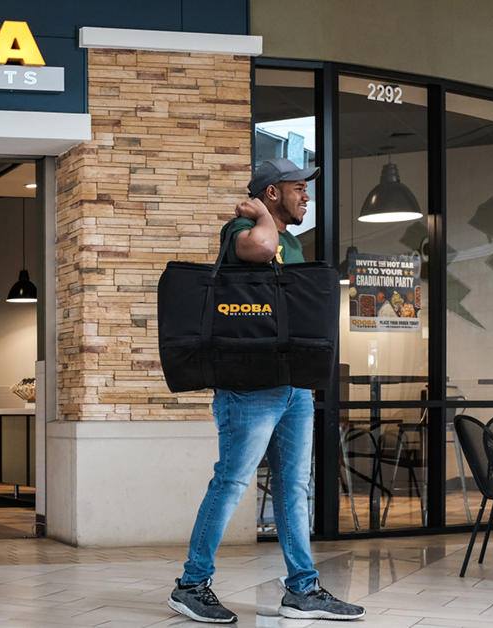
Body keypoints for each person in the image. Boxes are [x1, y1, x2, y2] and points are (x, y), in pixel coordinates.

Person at [166, 158, 365, 623]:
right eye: (298, 188)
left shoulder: (289, 242)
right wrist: (259, 216)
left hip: (293, 385)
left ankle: (302, 590)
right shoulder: (244, 229)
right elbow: (259, 248)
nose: (306, 196)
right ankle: (191, 585)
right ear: (272, 193)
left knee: (295, 487)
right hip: (248, 388)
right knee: (232, 482)